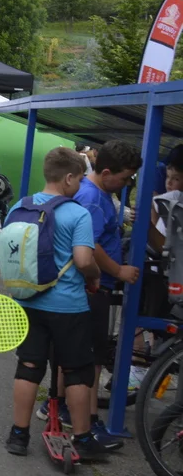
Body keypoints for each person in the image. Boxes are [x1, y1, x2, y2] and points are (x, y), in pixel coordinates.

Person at [3, 147, 111, 463]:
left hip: (28, 301)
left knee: (29, 365)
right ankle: (83, 438)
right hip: (68, 306)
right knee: (77, 370)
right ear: (68, 178)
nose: (79, 185)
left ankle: (19, 434)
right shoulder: (77, 213)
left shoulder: (19, 207)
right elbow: (83, 259)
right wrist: (95, 275)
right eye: (79, 179)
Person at [61, 139, 142, 447]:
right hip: (93, 286)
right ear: (106, 172)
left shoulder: (96, 193)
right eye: (124, 178)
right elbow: (90, 245)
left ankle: (67, 408)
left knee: (79, 352)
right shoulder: (94, 198)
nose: (126, 184)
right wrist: (118, 271)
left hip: (91, 286)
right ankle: (88, 420)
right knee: (91, 357)